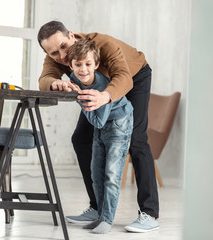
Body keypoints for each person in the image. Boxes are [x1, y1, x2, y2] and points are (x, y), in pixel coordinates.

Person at [37, 20, 159, 232]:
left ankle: (150, 213)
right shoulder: (55, 57)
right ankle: (97, 207)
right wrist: (54, 83)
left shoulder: (103, 44)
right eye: (54, 53)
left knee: (137, 140)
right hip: (99, 91)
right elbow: (45, 78)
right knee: (80, 139)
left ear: (72, 35)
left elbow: (123, 77)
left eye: (64, 46)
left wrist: (105, 96)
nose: (62, 56)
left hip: (133, 78)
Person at [67, 39, 133, 234]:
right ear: (71, 65)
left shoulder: (102, 87)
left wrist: (79, 98)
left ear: (96, 65)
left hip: (119, 123)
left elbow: (97, 122)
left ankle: (107, 219)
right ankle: (99, 216)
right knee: (96, 173)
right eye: (78, 64)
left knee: (111, 175)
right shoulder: (73, 77)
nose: (83, 69)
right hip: (102, 124)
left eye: (88, 64)